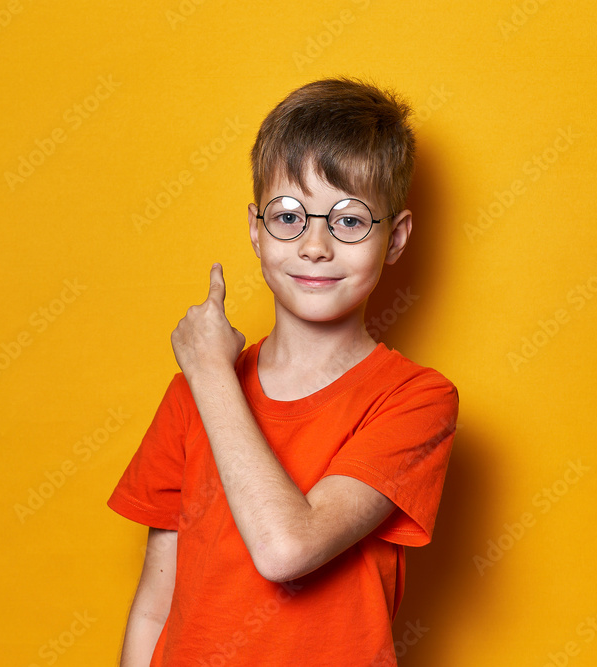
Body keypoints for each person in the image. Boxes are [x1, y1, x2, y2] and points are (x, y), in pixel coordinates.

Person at [107, 77, 459, 666]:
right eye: (289, 216)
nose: (315, 245)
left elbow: (286, 550)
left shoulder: (416, 400)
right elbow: (154, 605)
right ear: (255, 229)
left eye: (350, 221)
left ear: (396, 238)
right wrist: (208, 377)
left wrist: (209, 371)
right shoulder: (195, 392)